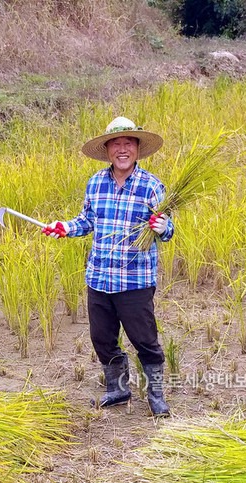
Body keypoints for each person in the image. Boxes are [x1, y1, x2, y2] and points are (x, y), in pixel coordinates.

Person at [42, 116, 174, 416]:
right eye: (117, 144)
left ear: (138, 149)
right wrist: (63, 226)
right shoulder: (95, 183)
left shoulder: (151, 186)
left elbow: (168, 230)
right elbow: (87, 221)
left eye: (129, 143)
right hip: (99, 277)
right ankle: (118, 388)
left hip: (135, 281)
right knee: (102, 338)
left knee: (144, 340)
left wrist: (163, 226)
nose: (123, 149)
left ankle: (155, 394)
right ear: (108, 149)